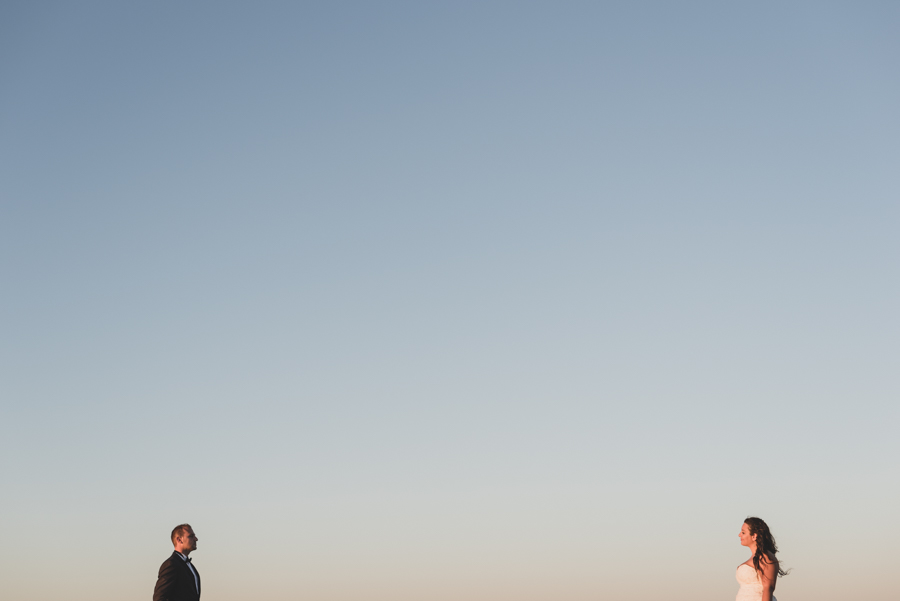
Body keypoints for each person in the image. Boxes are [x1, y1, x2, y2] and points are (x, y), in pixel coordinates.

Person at [736, 517, 788, 601]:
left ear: (754, 536)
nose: (739, 535)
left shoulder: (765, 557)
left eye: (743, 532)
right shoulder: (756, 557)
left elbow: (768, 588)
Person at [153, 524, 201, 601]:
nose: (196, 539)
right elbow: (159, 597)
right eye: (191, 536)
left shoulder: (190, 566)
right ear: (179, 539)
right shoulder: (171, 564)